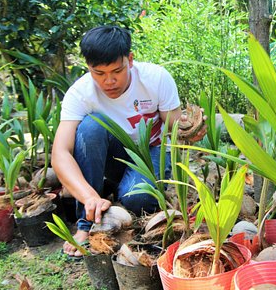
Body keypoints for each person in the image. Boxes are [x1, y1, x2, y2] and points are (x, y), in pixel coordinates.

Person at [52, 25, 205, 257]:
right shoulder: (80, 93)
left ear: (130, 60)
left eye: (117, 71)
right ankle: (86, 222)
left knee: (138, 199)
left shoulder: (156, 78)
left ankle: (121, 190)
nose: (109, 81)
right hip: (114, 157)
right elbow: (60, 153)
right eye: (99, 74)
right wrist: (88, 196)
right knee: (91, 127)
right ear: (88, 68)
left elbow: (173, 128)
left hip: (149, 152)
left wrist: (191, 129)